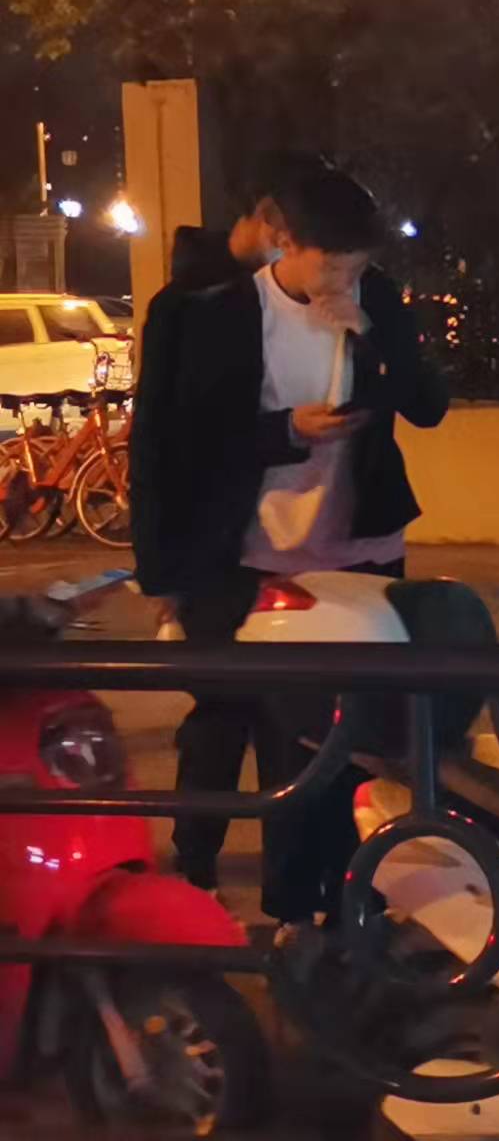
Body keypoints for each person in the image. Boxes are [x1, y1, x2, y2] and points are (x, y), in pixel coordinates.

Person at [132, 165, 449, 926]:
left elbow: (428, 404)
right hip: (242, 552)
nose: (345, 281)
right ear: (287, 244)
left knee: (333, 739)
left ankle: (316, 906)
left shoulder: (375, 301)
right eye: (331, 266)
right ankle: (202, 874)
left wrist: (370, 332)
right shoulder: (219, 313)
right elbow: (182, 441)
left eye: (358, 267)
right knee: (226, 720)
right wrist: (285, 432)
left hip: (355, 549)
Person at [131, 151, 338, 895]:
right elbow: (164, 441)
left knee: (273, 724)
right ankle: (196, 874)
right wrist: (162, 569)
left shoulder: (282, 297)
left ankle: (266, 893)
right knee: (221, 719)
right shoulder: (194, 306)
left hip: (268, 543)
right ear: (270, 219)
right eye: (291, 228)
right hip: (216, 546)